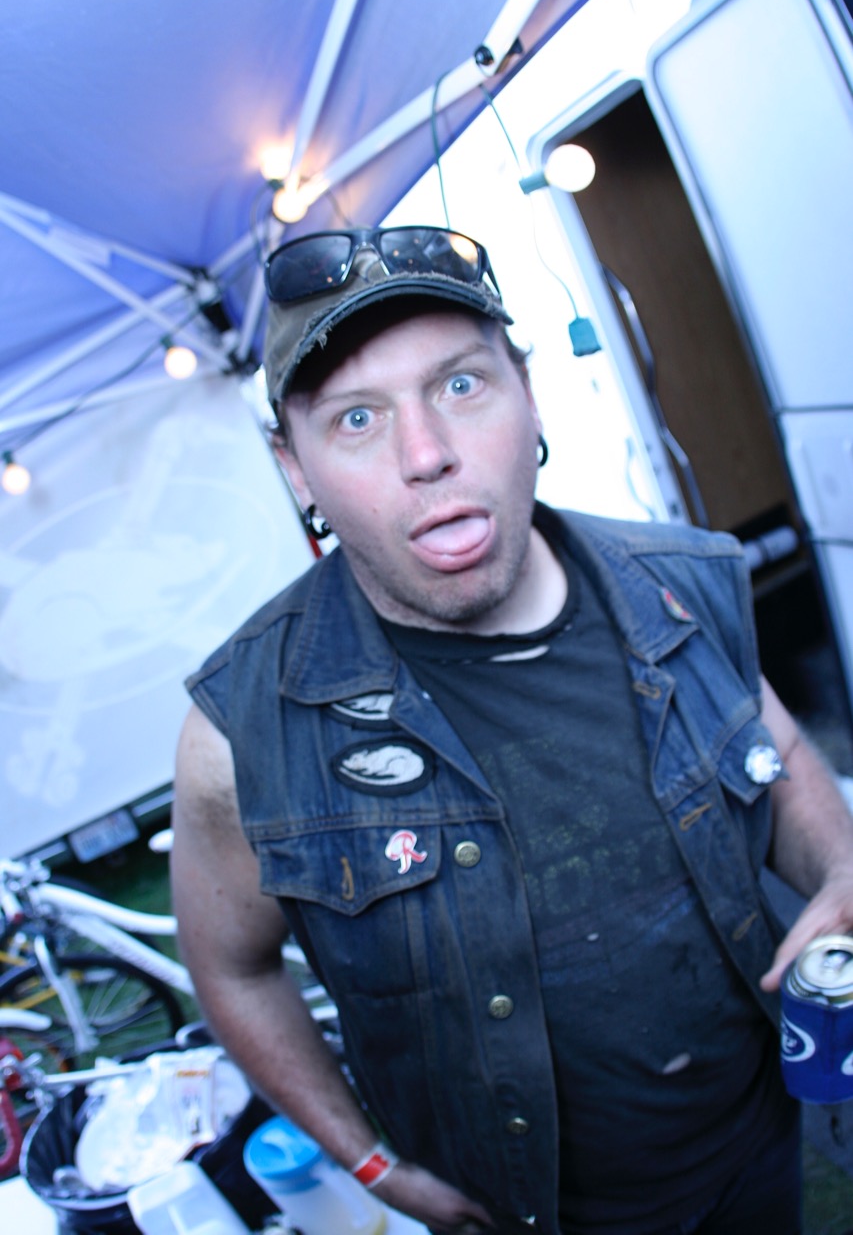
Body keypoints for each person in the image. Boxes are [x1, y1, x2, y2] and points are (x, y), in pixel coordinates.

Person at [171, 226, 853, 1235]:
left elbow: (776, 749)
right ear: (295, 467)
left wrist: (841, 869)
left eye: (459, 385)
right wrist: (372, 1163)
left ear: (526, 392)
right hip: (523, 1213)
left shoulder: (682, 586)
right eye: (356, 417)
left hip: (760, 1144)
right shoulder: (242, 737)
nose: (426, 454)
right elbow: (231, 968)